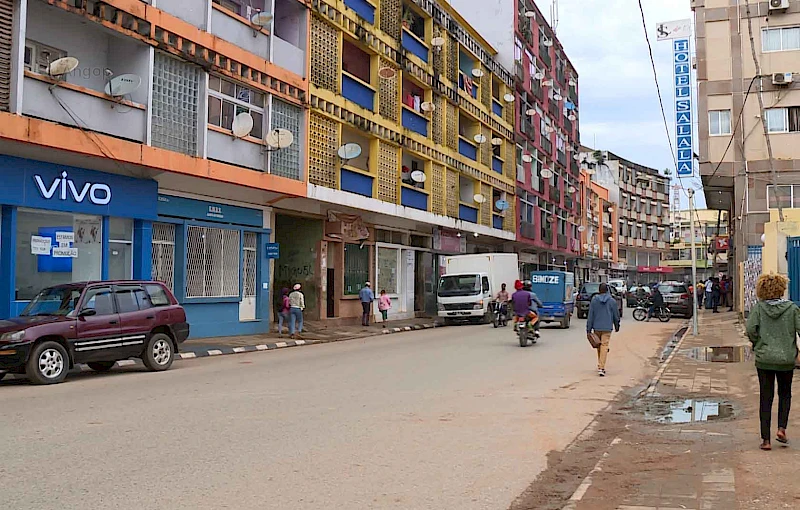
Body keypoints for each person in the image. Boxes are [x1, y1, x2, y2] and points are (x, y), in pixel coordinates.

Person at [745, 274, 800, 451]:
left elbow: (750, 329)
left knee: (765, 397)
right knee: (785, 394)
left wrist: (757, 343)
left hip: (765, 359)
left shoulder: (759, 309)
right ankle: (781, 429)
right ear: (781, 288)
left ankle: (766, 440)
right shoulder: (792, 309)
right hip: (786, 359)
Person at [587, 283, 621, 377]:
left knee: (599, 346)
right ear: (607, 290)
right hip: (607, 327)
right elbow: (616, 315)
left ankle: (600, 365)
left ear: (599, 290)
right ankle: (601, 367)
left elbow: (591, 315)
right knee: (604, 346)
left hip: (596, 327)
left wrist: (588, 329)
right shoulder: (612, 301)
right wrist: (617, 325)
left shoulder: (594, 300)